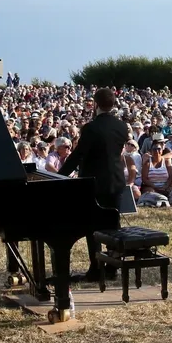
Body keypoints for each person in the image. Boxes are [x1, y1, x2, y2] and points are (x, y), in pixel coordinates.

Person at [58, 87, 130, 282]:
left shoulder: (91, 128)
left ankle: (96, 268)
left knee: (93, 226)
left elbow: (78, 156)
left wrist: (58, 176)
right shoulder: (122, 127)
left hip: (94, 183)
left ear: (95, 104)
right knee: (113, 224)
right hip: (115, 181)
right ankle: (113, 266)